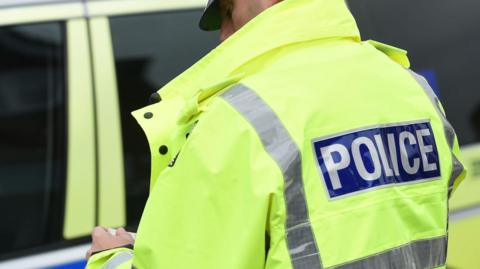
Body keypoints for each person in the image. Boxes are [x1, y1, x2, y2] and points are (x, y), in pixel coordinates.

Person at [85, 0, 466, 268]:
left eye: (226, 13)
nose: (222, 36)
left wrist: (111, 257)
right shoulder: (413, 89)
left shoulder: (235, 119)